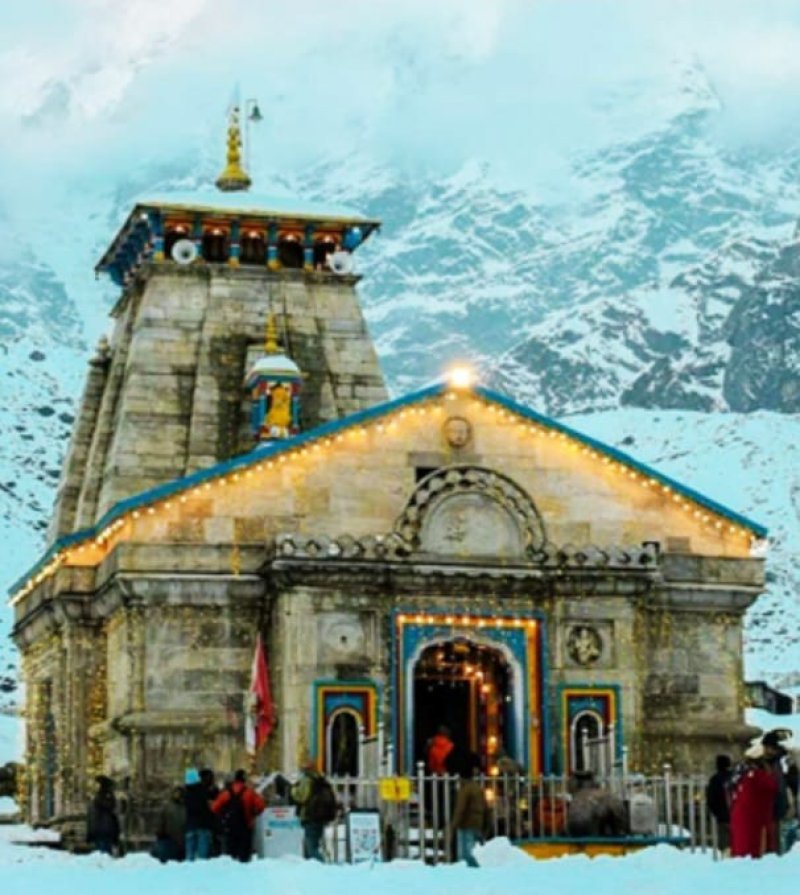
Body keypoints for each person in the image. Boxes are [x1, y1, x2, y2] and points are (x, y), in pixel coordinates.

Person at [729, 743, 779, 859]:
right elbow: (772, 788)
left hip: (741, 817)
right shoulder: (758, 776)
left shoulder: (741, 774)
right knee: (754, 850)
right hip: (755, 820)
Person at [211, 769, 266, 862]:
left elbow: (214, 807)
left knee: (231, 856)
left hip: (230, 828)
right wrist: (254, 814)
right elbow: (261, 806)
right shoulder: (250, 793)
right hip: (246, 828)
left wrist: (223, 815)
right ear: (244, 779)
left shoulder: (226, 793)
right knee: (244, 857)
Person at [291, 758, 338, 861]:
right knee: (312, 844)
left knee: (311, 847)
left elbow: (302, 796)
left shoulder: (306, 780)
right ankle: (311, 869)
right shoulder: (321, 779)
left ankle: (320, 866)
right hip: (320, 816)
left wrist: (293, 789)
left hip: (310, 815)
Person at [449, 752, 487, 868]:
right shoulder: (477, 788)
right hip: (477, 823)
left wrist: (452, 826)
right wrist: (486, 826)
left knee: (465, 855)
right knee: (475, 852)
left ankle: (472, 873)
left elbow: (460, 809)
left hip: (466, 824)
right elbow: (486, 808)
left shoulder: (464, 789)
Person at [567, 770, 626, 837]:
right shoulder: (607, 795)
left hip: (577, 835)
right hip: (595, 835)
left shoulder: (577, 799)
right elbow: (619, 822)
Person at [184, 767, 215, 860]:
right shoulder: (203, 792)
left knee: (190, 855)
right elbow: (207, 809)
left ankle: (188, 871)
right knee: (202, 856)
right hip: (203, 825)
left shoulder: (186, 794)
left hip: (190, 825)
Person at [86, 775, 120, 856]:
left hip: (102, 830)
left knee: (103, 855)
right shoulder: (101, 797)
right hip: (101, 830)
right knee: (102, 855)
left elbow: (108, 807)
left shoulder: (102, 797)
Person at [151, 785, 185, 862]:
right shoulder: (167, 807)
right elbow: (160, 823)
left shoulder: (168, 807)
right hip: (172, 840)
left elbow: (160, 823)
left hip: (178, 841)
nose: (178, 795)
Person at [705, 754, 732, 852]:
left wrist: (716, 813)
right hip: (736, 814)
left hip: (722, 817)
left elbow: (711, 799)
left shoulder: (715, 779)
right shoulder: (734, 777)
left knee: (724, 844)